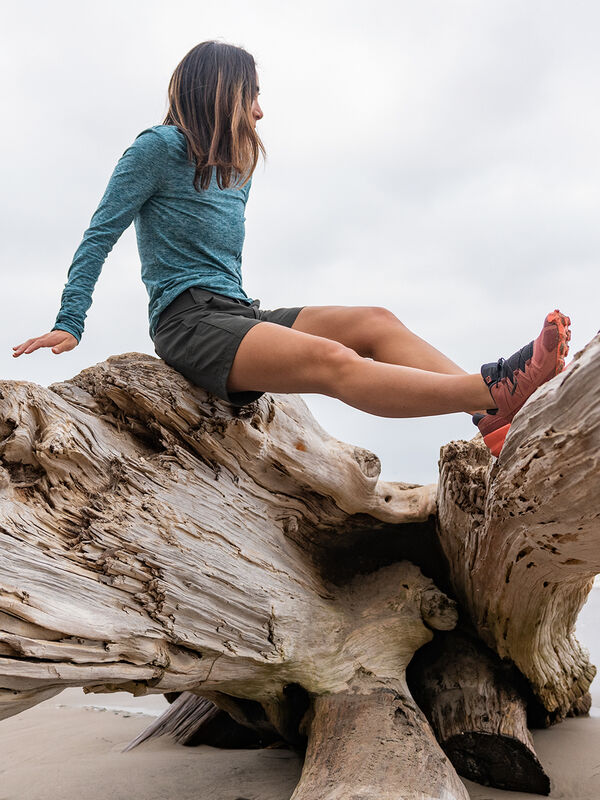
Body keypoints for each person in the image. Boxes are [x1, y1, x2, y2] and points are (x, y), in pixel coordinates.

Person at [12, 41, 570, 458]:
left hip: (235, 312)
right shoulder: (158, 149)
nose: (260, 111)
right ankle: (497, 386)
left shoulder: (237, 166)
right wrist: (70, 319)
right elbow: (100, 232)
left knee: (375, 321)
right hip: (188, 325)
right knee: (332, 361)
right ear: (223, 92)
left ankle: (492, 422)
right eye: (253, 95)